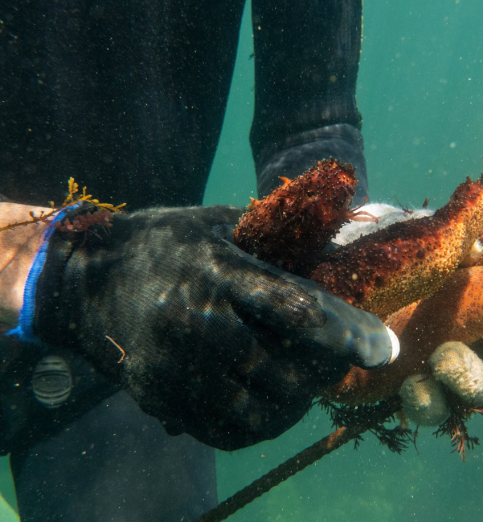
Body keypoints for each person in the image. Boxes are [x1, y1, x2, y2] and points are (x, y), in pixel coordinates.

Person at [0, 0, 385, 519]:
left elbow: (312, 126)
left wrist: (367, 287)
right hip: (125, 295)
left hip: (137, 343)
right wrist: (66, 272)